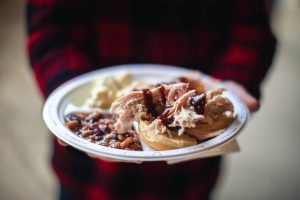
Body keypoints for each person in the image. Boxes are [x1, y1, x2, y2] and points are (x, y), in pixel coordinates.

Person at [27, 0, 276, 199]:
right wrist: (69, 86)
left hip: (191, 172)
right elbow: (50, 28)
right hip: (89, 178)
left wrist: (233, 81)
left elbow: (251, 30)